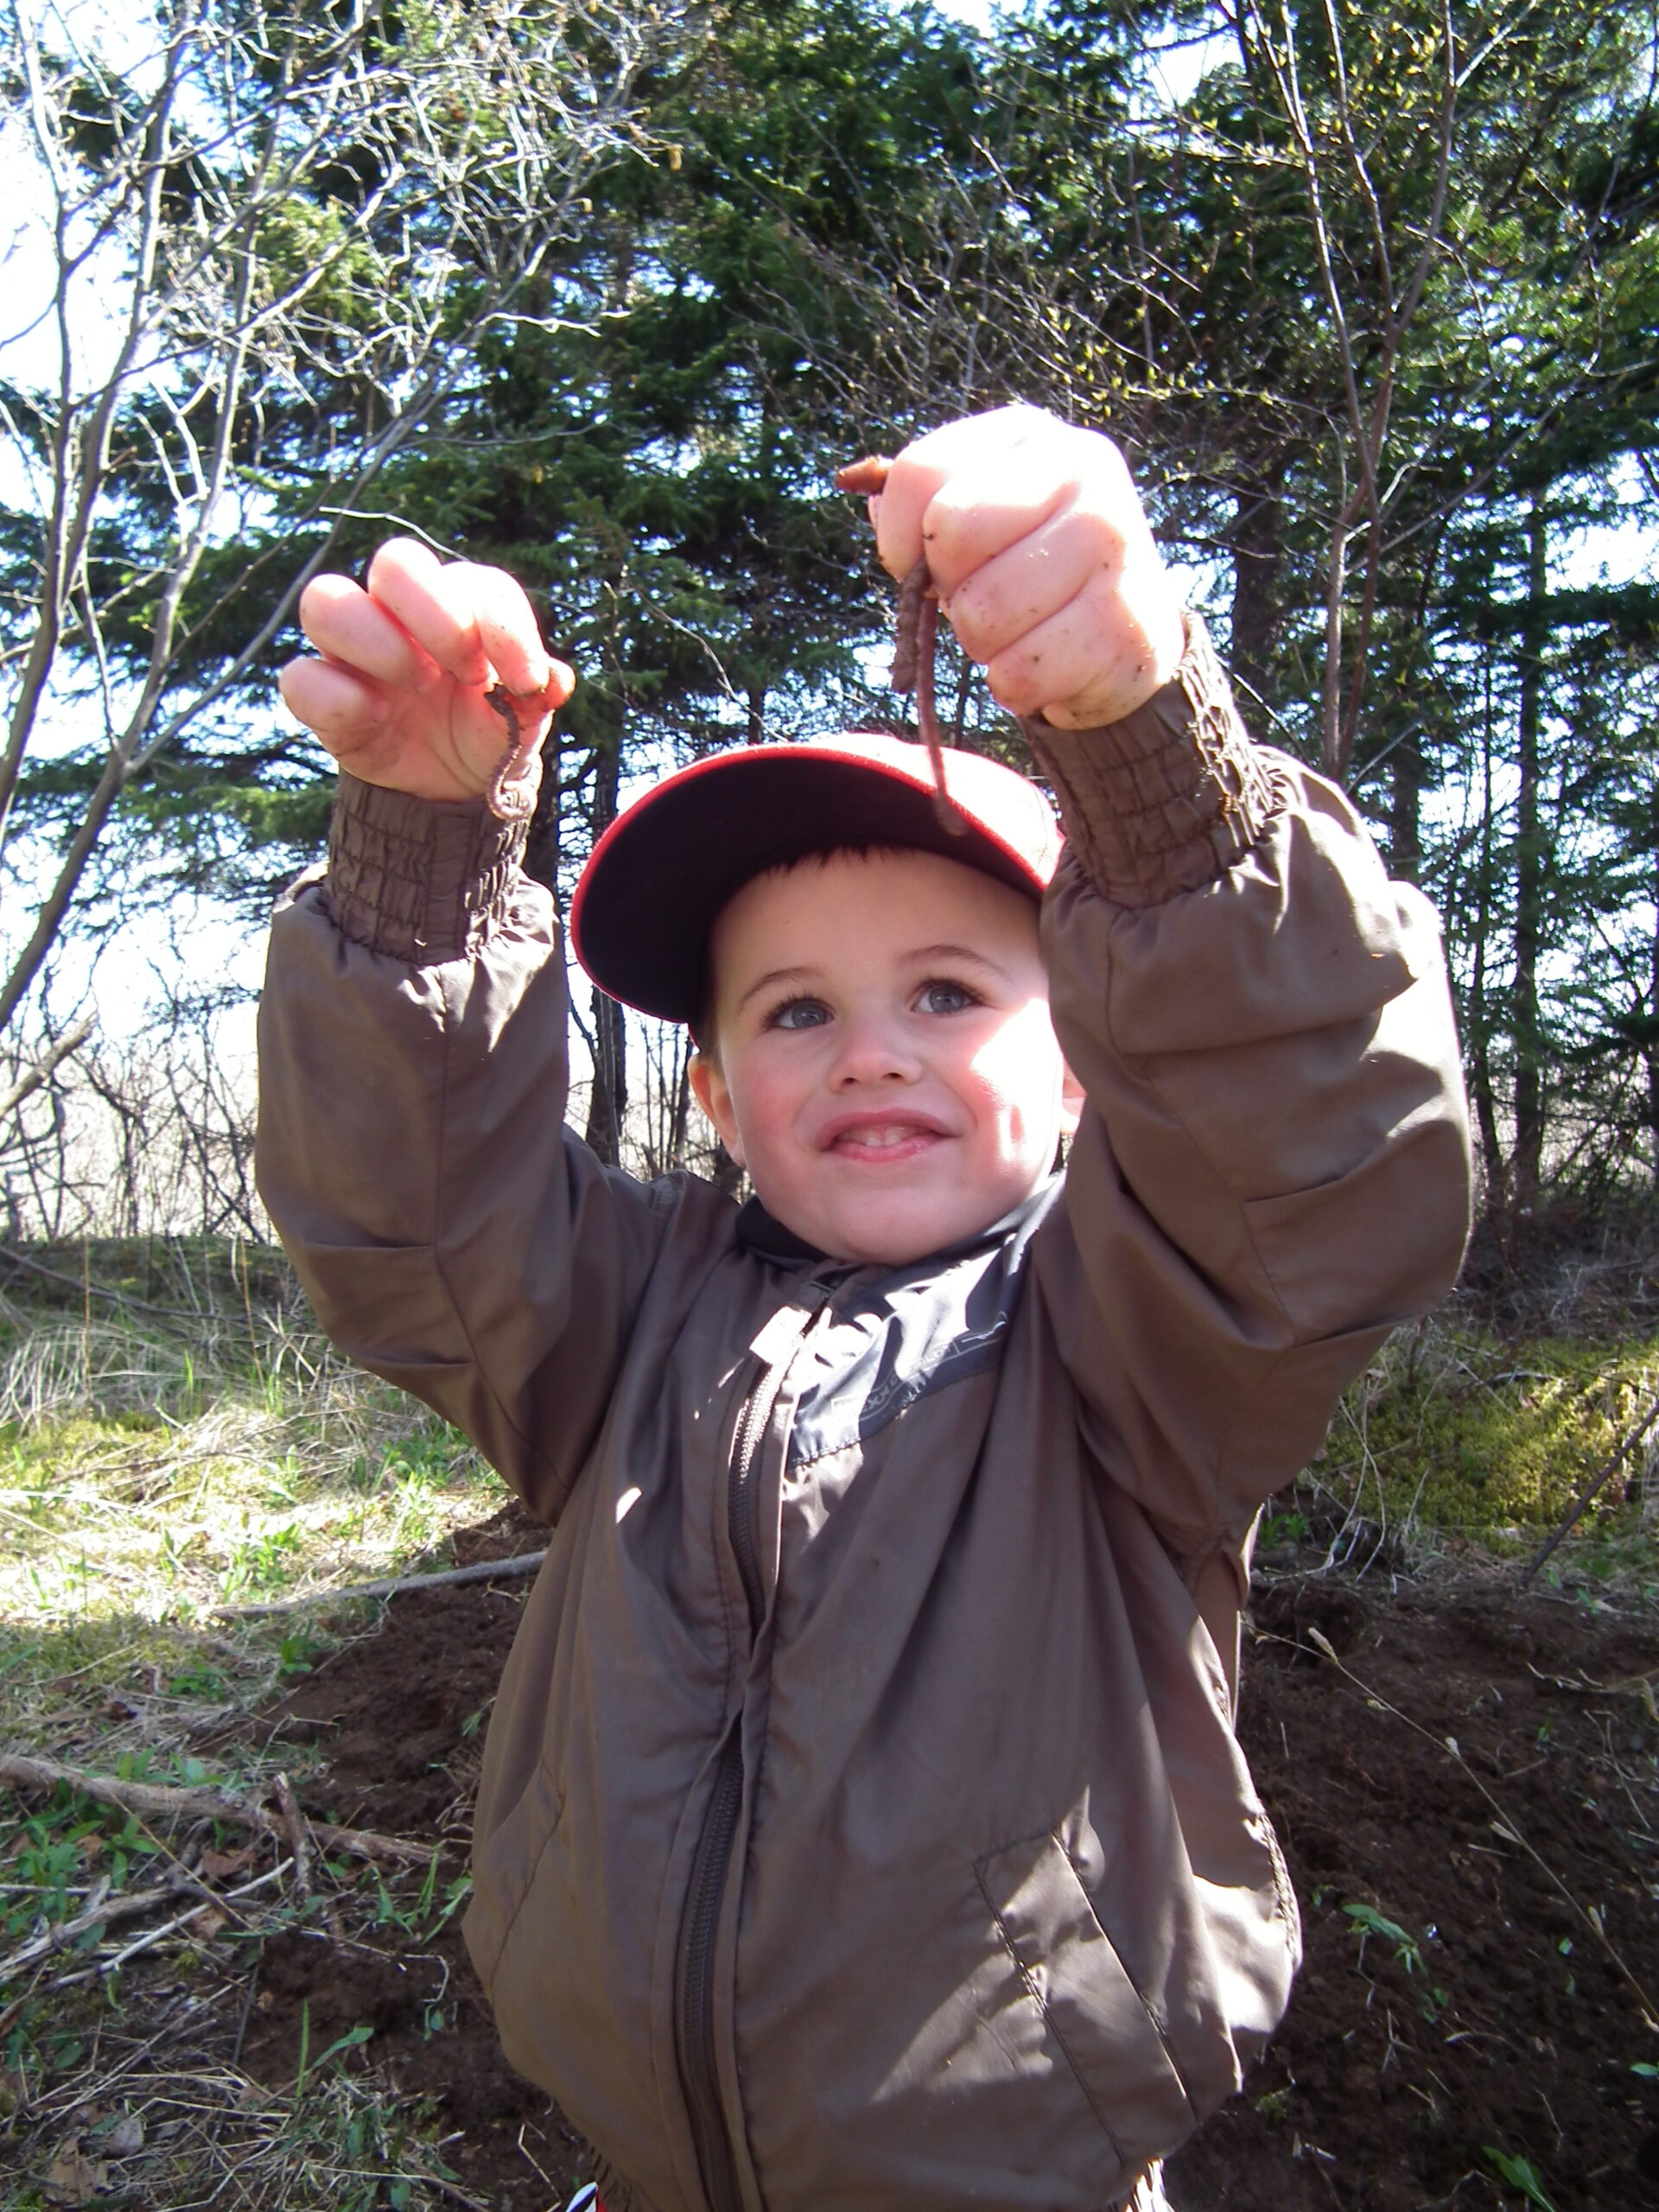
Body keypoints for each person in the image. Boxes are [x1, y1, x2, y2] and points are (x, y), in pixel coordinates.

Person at [257, 404, 1472, 2212]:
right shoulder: (623, 1319)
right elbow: (406, 1210)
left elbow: (1314, 1156)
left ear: (1082, 1073)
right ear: (719, 1099)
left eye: (950, 989)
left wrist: (1145, 746)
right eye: (795, 1011)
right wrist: (421, 862)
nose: (873, 1045)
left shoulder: (1141, 1333)